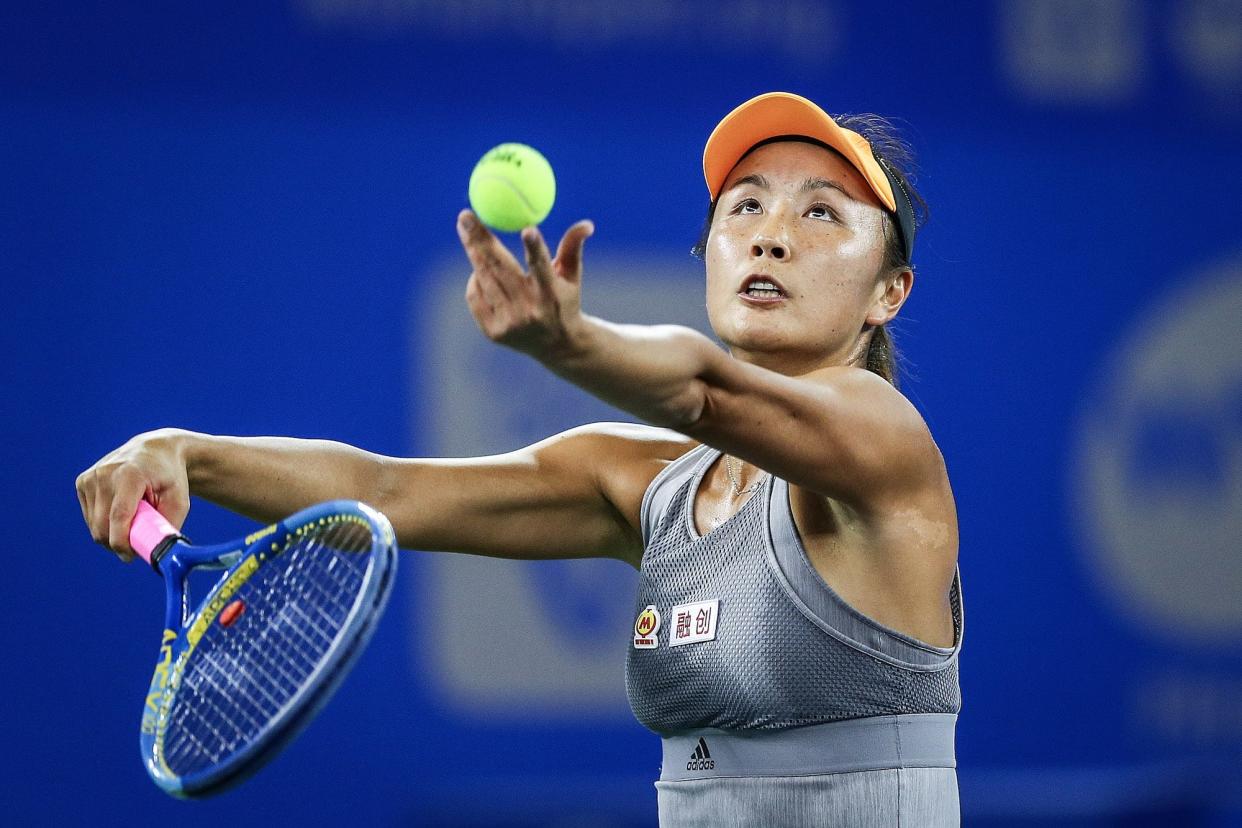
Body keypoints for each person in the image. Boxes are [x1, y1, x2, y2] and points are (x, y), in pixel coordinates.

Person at [77, 91, 962, 826]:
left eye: (821, 213)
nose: (772, 234)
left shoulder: (882, 443)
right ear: (710, 255)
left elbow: (703, 390)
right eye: (746, 205)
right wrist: (186, 452)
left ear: (891, 291)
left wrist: (570, 345)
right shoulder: (641, 486)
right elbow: (380, 492)